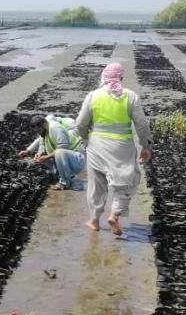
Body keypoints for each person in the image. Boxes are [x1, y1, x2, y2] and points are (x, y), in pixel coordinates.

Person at [76, 62, 152, 236]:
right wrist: (146, 146)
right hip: (122, 147)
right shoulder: (130, 96)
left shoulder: (93, 96)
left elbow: (80, 123)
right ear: (121, 78)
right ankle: (114, 215)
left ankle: (94, 221)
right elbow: (141, 125)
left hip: (96, 145)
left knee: (96, 185)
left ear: (103, 77)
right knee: (125, 181)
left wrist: (86, 138)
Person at [17, 114, 87, 190]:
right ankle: (60, 174)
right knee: (43, 156)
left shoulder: (55, 128)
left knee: (59, 152)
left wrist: (46, 157)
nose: (38, 133)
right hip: (68, 157)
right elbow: (41, 142)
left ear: (44, 124)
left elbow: (62, 148)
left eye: (39, 130)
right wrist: (37, 153)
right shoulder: (45, 129)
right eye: (36, 131)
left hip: (78, 159)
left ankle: (65, 183)